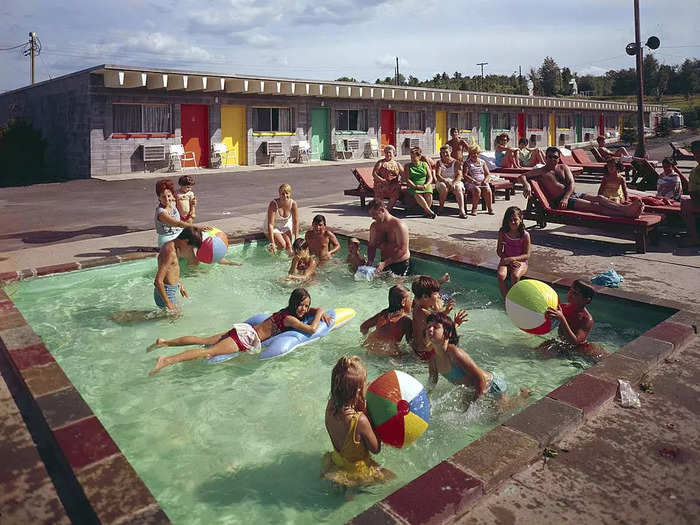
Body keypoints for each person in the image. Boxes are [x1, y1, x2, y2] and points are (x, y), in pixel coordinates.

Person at [148, 288, 331, 374]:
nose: (304, 309)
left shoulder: (286, 313)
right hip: (246, 338)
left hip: (245, 330)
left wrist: (314, 310)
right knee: (208, 352)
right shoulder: (290, 319)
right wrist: (320, 311)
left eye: (306, 306)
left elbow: (308, 312)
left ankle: (165, 342)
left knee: (204, 339)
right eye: (301, 305)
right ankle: (167, 360)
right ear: (294, 303)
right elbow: (312, 329)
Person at [425, 312, 533, 409]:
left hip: (491, 386)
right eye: (428, 327)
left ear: (447, 334)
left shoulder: (454, 353)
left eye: (436, 327)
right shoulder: (433, 359)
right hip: (472, 388)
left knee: (505, 411)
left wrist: (474, 407)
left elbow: (480, 379)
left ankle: (524, 396)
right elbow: (431, 383)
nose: (430, 329)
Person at [321, 356, 394, 487]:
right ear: (358, 391)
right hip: (358, 470)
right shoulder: (360, 420)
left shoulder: (331, 405)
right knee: (393, 480)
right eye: (365, 383)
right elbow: (376, 449)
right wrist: (371, 418)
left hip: (337, 460)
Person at [519, 147, 644, 218]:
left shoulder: (563, 167)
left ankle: (625, 209)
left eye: (555, 157)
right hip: (560, 201)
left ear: (559, 158)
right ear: (546, 157)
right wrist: (526, 185)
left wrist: (567, 197)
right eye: (550, 156)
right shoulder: (541, 171)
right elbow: (522, 176)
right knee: (594, 206)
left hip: (571, 196)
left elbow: (572, 184)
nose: (552, 159)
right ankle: (625, 213)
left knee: (599, 198)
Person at [539, 280, 608, 360]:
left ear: (586, 300)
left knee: (602, 361)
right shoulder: (564, 307)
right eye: (570, 291)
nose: (570, 294)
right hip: (563, 344)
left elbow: (575, 341)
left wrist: (562, 318)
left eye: (575, 293)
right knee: (538, 351)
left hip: (580, 349)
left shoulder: (586, 319)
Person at [411, 275, 467, 361]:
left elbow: (434, 317)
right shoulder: (424, 313)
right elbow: (444, 330)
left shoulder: (416, 305)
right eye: (436, 294)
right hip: (426, 354)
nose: (438, 296)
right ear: (425, 297)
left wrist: (443, 312)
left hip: (417, 349)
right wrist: (456, 323)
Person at [154, 179, 208, 248]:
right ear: (159, 197)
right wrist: (197, 227)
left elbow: (186, 211)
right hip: (168, 238)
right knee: (187, 246)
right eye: (163, 197)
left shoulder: (173, 203)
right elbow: (178, 223)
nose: (167, 200)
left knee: (203, 238)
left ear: (172, 195)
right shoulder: (161, 213)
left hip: (180, 233)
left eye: (169, 196)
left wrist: (193, 205)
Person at [360, 285, 413, 356]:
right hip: (387, 352)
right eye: (410, 299)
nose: (412, 302)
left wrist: (365, 338)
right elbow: (410, 343)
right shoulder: (406, 320)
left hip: (368, 346)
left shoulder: (383, 313)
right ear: (403, 302)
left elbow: (364, 326)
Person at [366, 200, 412, 276]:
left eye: (374, 214)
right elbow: (372, 245)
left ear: (382, 210)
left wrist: (384, 263)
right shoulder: (374, 226)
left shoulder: (398, 225)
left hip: (400, 263)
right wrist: (370, 261)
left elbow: (402, 249)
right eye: (371, 215)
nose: (373, 217)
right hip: (384, 262)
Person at [496, 207, 531, 299]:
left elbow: (527, 255)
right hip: (506, 259)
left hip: (521, 261)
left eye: (515, 219)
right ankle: (506, 299)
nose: (513, 222)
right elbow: (499, 251)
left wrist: (512, 259)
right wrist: (508, 260)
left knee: (515, 276)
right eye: (510, 220)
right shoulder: (503, 232)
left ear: (520, 219)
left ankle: (513, 299)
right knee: (500, 275)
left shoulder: (525, 235)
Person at [265, 183, 299, 255]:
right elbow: (270, 224)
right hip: (274, 227)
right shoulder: (273, 204)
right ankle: (273, 255)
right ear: (279, 194)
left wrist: (296, 238)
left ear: (290, 193)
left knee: (290, 247)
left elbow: (295, 222)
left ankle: (288, 263)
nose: (285, 196)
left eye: (287, 193)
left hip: (285, 226)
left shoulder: (293, 204)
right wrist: (272, 242)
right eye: (282, 194)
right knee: (282, 245)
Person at [435, 144, 467, 218]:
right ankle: (441, 208)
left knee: (458, 187)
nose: (445, 154)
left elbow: (459, 175)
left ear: (450, 151)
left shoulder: (456, 162)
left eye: (446, 152)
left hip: (454, 180)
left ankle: (462, 211)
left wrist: (453, 183)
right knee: (443, 187)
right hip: (442, 181)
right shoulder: (439, 163)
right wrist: (446, 181)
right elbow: (438, 175)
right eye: (442, 153)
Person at [403, 147, 436, 219]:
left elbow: (430, 177)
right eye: (411, 157)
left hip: (425, 183)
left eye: (414, 157)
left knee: (429, 194)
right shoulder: (408, 166)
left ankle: (427, 212)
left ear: (419, 157)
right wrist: (415, 186)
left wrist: (426, 185)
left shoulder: (424, 164)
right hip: (413, 185)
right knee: (417, 194)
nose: (412, 159)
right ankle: (429, 212)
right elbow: (407, 179)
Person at [463, 145, 494, 215]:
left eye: (476, 153)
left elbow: (488, 174)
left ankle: (490, 208)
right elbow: (465, 175)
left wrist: (485, 181)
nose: (475, 155)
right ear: (470, 154)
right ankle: (474, 208)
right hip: (471, 182)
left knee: (488, 190)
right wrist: (474, 181)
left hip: (482, 181)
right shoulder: (467, 163)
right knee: (477, 190)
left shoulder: (482, 162)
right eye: (473, 153)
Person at [680, 140, 700, 247]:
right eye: (696, 153)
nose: (698, 155)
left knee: (685, 205)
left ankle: (695, 238)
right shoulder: (694, 171)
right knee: (684, 200)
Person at [372, 145, 404, 211]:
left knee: (396, 191)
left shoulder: (397, 164)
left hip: (393, 185)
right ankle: (380, 209)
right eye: (386, 152)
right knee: (379, 190)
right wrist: (381, 180)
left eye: (390, 152)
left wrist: (401, 180)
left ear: (394, 153)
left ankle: (387, 211)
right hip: (382, 184)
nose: (388, 154)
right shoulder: (380, 163)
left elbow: (403, 174)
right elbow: (374, 173)